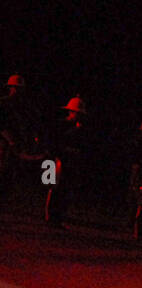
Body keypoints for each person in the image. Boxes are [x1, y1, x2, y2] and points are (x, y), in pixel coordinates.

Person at [44, 97, 88, 228]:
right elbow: (53, 143)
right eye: (76, 113)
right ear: (71, 112)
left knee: (66, 190)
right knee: (54, 189)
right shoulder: (61, 125)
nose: (78, 116)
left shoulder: (80, 129)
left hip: (70, 163)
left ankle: (58, 218)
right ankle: (51, 216)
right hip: (57, 161)